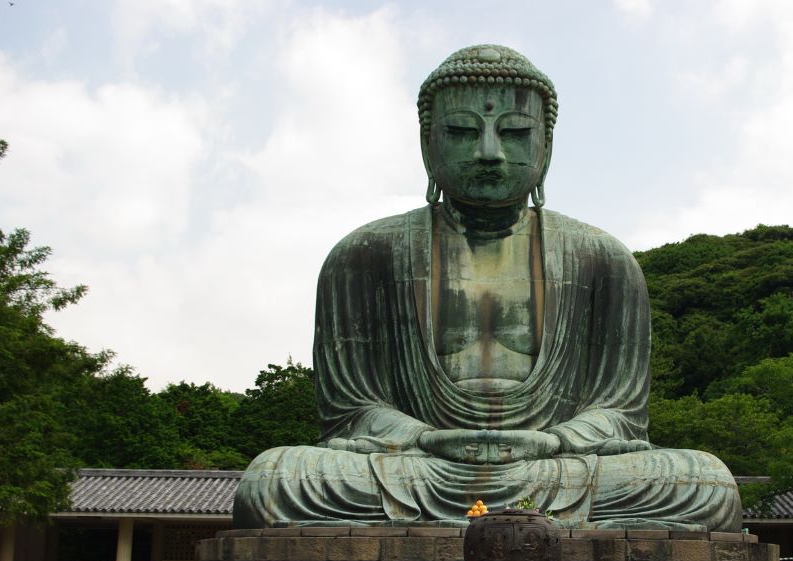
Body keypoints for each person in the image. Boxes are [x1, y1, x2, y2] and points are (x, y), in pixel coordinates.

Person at [232, 44, 742, 532]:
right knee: (274, 480)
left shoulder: (603, 259)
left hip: (556, 469)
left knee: (704, 483)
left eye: (516, 132)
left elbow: (620, 415)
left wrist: (551, 442)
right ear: (427, 142)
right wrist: (427, 437)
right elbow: (352, 411)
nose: (490, 152)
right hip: (419, 467)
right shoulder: (364, 254)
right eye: (460, 131)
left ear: (547, 143)